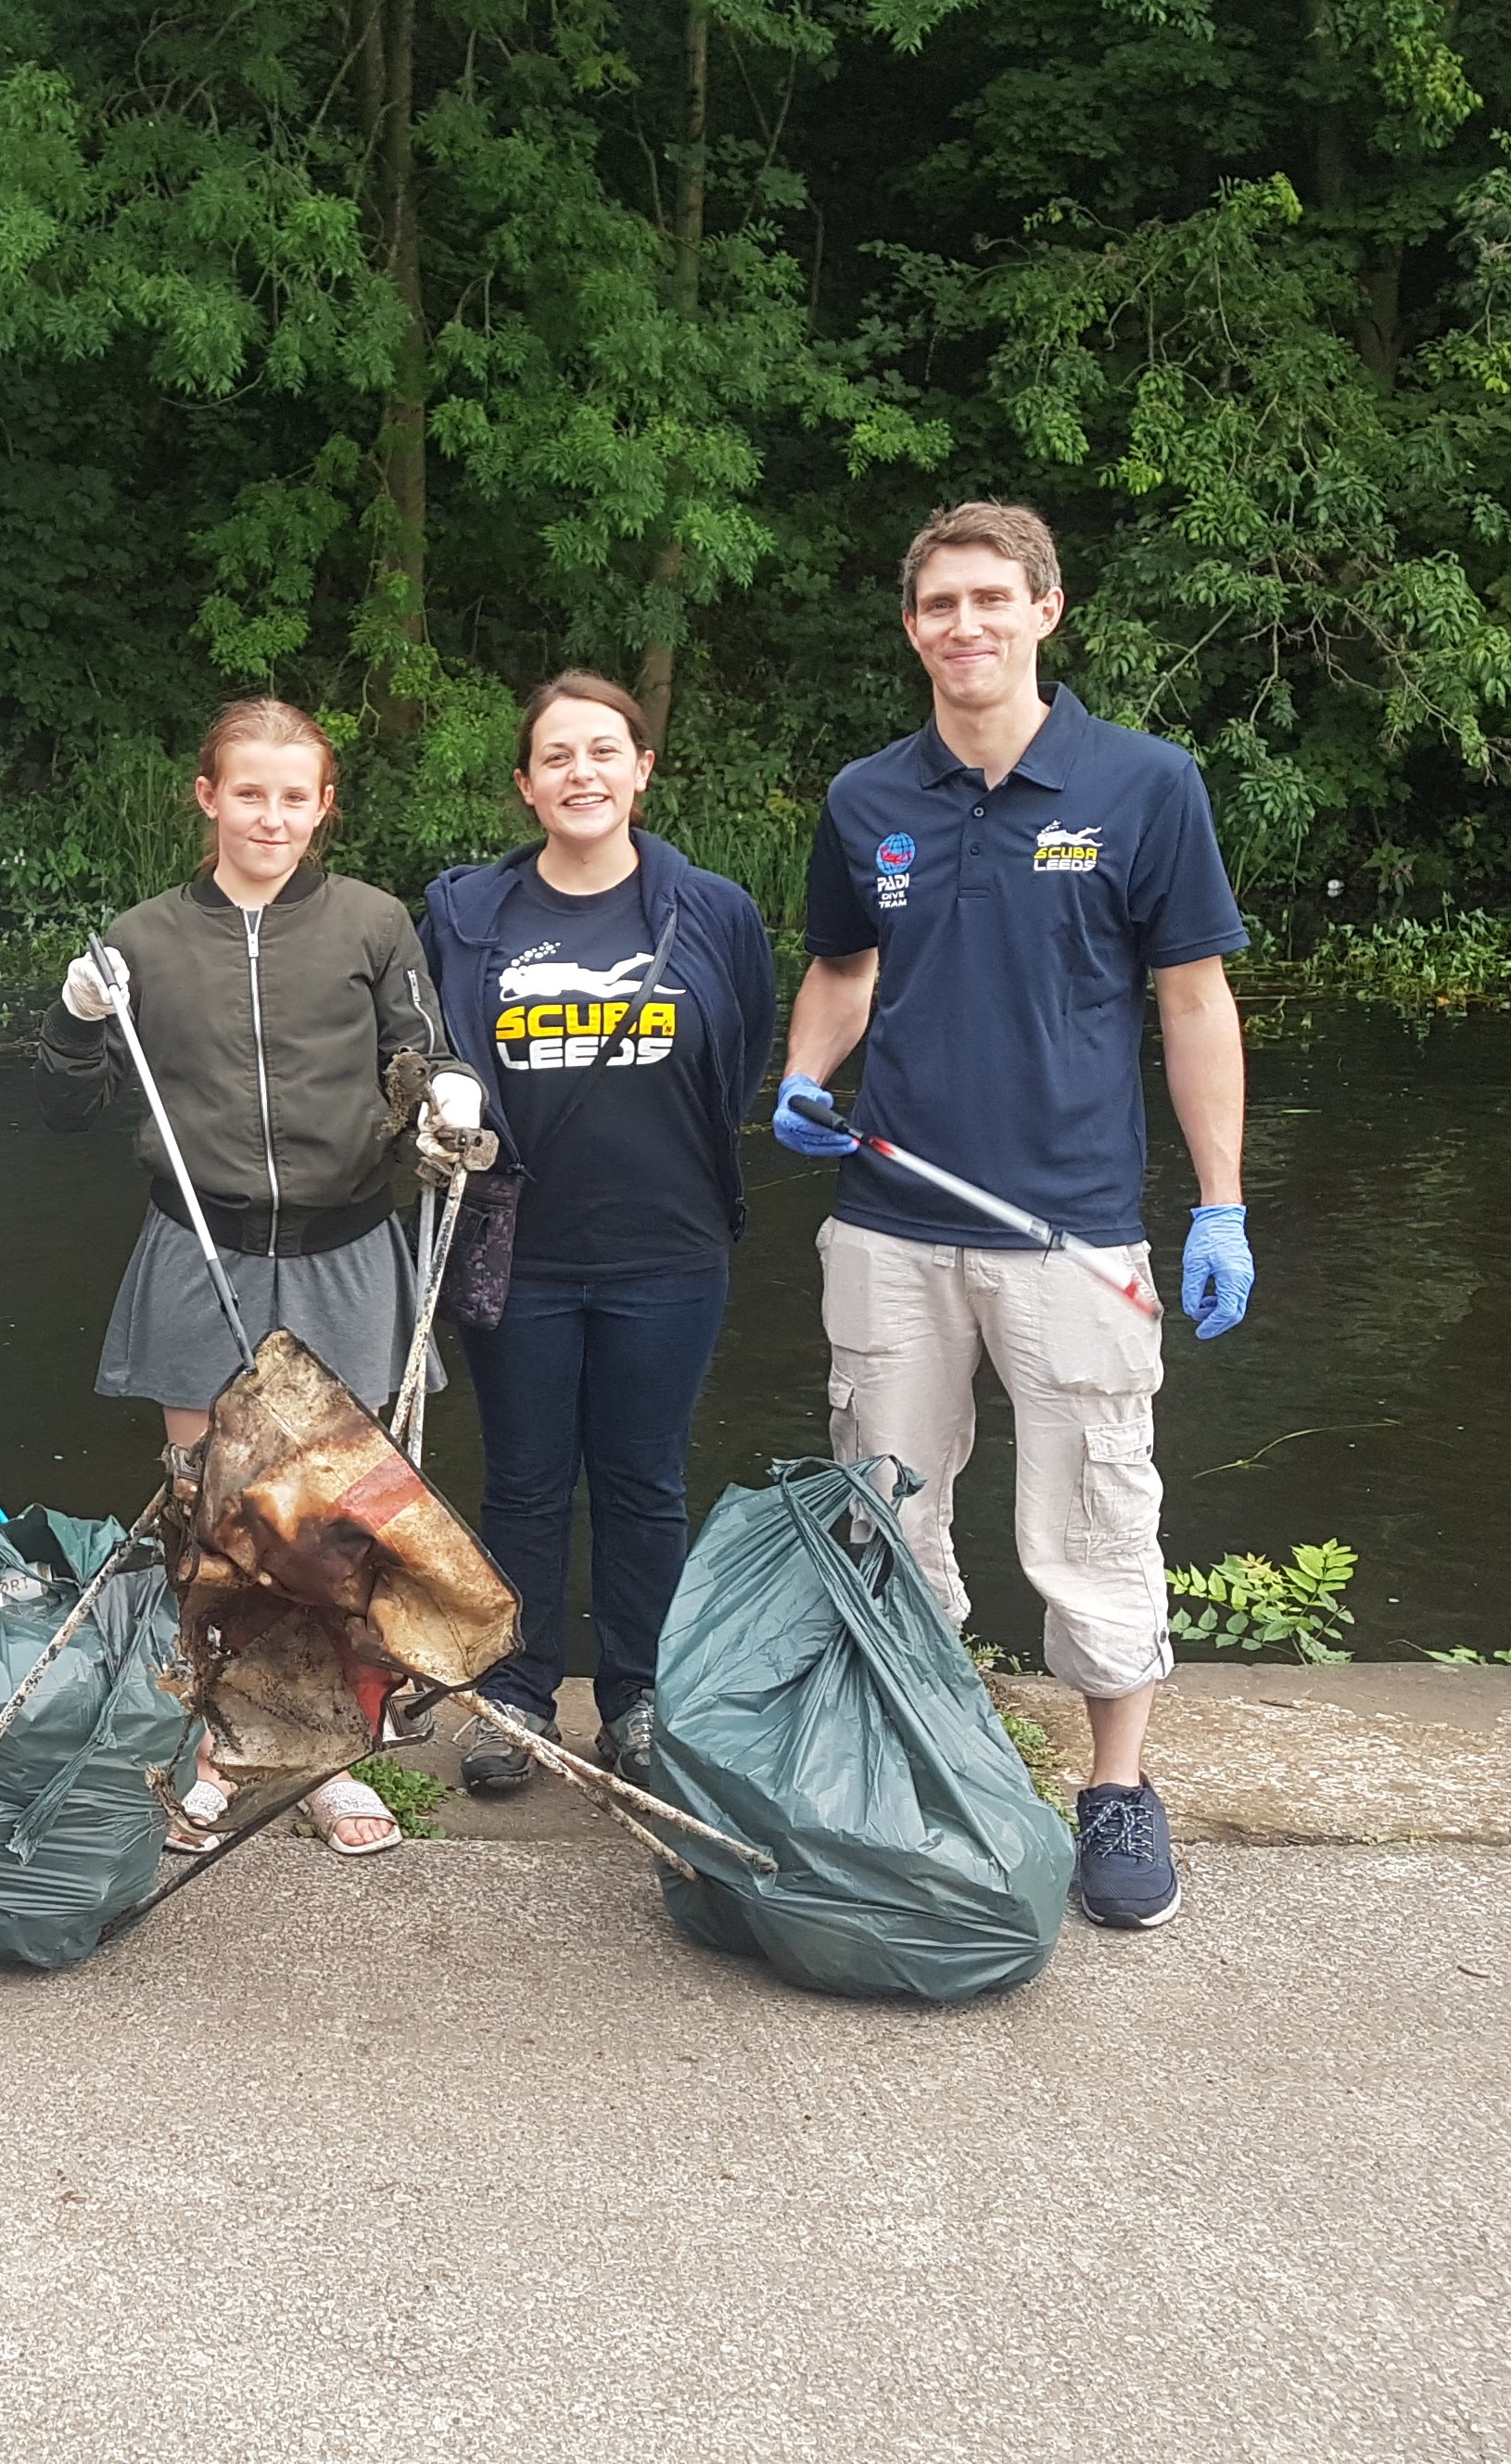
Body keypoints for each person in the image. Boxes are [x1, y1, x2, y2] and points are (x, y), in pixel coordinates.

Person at [774, 500, 1254, 1932]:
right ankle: (928, 1756)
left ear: (1048, 610)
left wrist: (1218, 1204)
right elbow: (844, 966)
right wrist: (804, 1074)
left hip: (1072, 1230)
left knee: (1097, 1514)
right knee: (888, 1508)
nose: (964, 627)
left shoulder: (1147, 785)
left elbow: (1192, 1001)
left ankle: (1116, 1791)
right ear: (911, 626)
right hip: (889, 1224)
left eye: (992, 599)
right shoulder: (870, 798)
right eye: (939, 605)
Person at [41, 697, 449, 1858]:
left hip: (344, 1250)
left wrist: (450, 1098)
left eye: (295, 796)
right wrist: (73, 1021)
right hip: (197, 1250)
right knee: (210, 1514)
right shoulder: (145, 938)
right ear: (208, 797)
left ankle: (325, 1754)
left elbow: (420, 1059)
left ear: (324, 807)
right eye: (249, 792)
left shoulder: (374, 923)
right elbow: (65, 1108)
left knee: (326, 1521)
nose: (271, 816)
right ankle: (214, 1744)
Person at [416, 671, 777, 1800]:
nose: (584, 773)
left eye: (604, 752)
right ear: (527, 785)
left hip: (669, 1248)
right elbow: (423, 1044)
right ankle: (516, 1697)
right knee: (523, 1480)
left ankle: (638, 1695)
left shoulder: (711, 909)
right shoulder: (468, 914)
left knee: (644, 1481)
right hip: (516, 1246)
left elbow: (747, 1047)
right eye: (558, 757)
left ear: (642, 770)